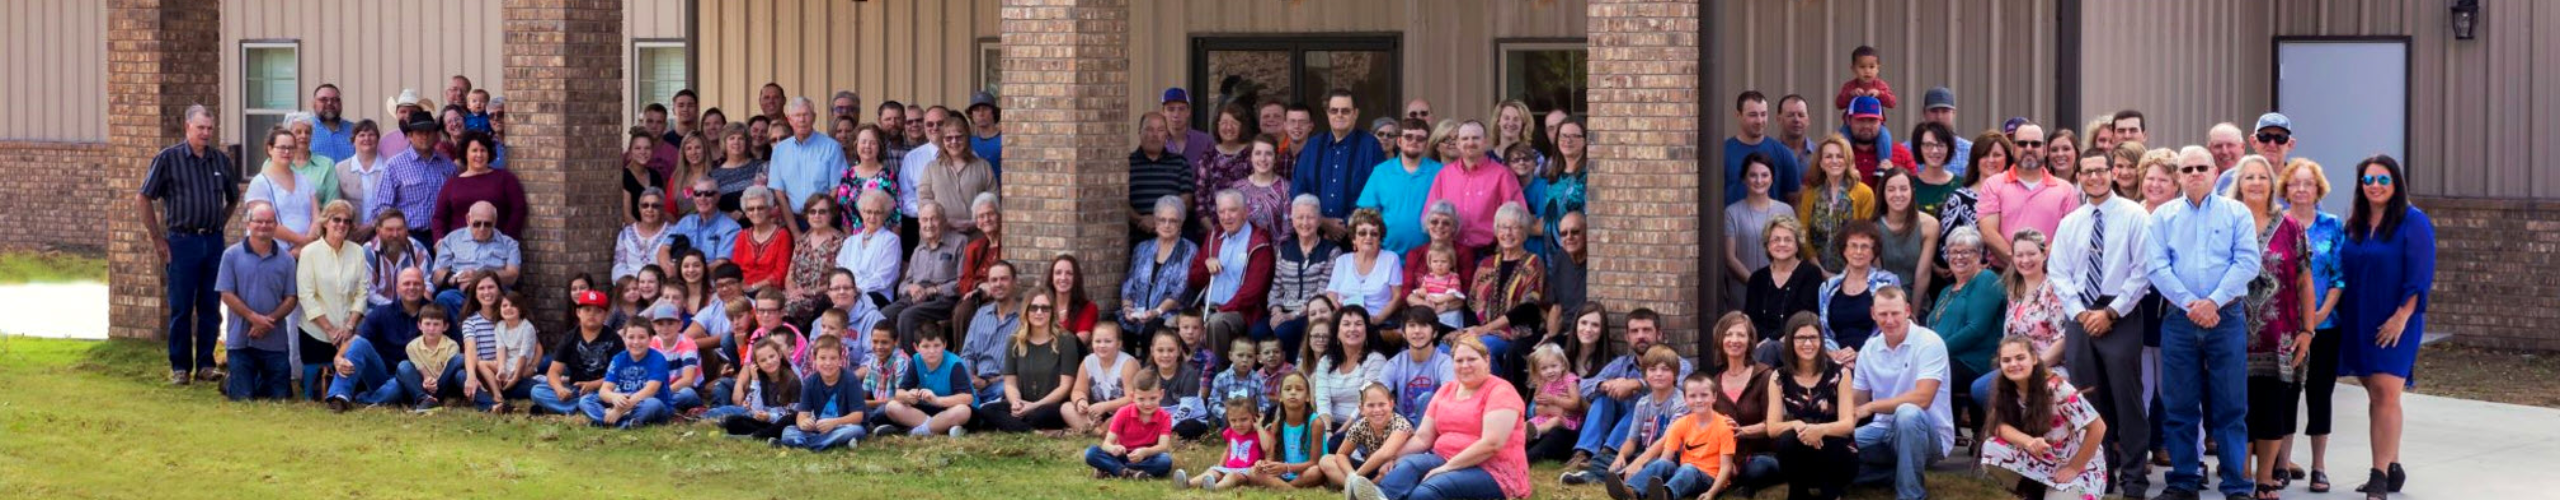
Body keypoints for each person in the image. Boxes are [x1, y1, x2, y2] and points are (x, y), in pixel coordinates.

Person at [2144, 146, 2263, 500]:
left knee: (2231, 406)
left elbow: (2247, 262)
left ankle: (2236, 485)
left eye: (2201, 167)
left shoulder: (2237, 213)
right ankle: (2184, 481)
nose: (2194, 173)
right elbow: (2156, 267)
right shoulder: (2163, 217)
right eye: (2187, 169)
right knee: (2179, 405)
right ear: (2179, 176)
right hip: (2178, 319)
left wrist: (2212, 302)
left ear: (2214, 172)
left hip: (2226, 317)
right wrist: (2190, 304)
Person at [2049, 151, 2157, 495]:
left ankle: (2134, 478)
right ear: (2078, 177)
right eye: (2087, 172)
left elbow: (2143, 270)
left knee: (2128, 400)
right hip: (2080, 316)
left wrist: (2111, 312)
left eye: (2100, 170)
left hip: (2120, 314)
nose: (2094, 177)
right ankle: (2100, 474)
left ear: (2112, 173)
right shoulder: (2070, 223)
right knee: (2090, 401)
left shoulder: (2135, 216)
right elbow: (2059, 272)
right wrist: (2082, 314)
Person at [2337, 155, 2431, 500]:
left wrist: (2401, 317)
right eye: (2368, 180)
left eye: (2382, 179)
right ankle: (2393, 466)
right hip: (2358, 318)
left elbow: (2420, 276)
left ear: (2396, 183)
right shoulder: (2355, 223)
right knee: (2376, 394)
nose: (2375, 186)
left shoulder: (2413, 221)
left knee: (2386, 393)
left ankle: (2378, 475)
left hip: (2396, 320)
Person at [1342, 333, 1531, 500]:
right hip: (1445, 457)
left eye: (1472, 359)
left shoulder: (1500, 391)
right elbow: (1423, 437)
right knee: (1407, 466)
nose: (1465, 365)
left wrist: (1446, 468)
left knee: (1425, 492)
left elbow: (1492, 444)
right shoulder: (1446, 390)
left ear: (1486, 360)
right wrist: (1393, 458)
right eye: (1459, 360)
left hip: (1492, 469)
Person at [2226, 154, 2314, 500]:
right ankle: (2242, 477)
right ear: (2239, 184)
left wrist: (2307, 331)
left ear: (2272, 184)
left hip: (2279, 336)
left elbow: (2305, 281)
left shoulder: (2291, 227)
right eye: (2249, 177)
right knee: (2237, 407)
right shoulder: (2227, 221)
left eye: (2262, 177)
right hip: (2231, 334)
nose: (2256, 183)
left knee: (2272, 409)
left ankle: (2265, 478)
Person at [1560, 308, 1693, 484]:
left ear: (1659, 334)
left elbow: (1680, 384)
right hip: (1624, 433)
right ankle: (1584, 453)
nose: (1641, 336)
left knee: (1642, 400)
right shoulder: (1621, 364)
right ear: (1627, 337)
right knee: (1603, 398)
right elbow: (1583, 385)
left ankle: (1606, 458)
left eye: (1646, 330)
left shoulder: (1677, 363)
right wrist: (1606, 385)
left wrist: (1636, 384)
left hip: (1655, 435)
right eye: (1635, 331)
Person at [2280, 157, 2347, 494]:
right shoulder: (2278, 223)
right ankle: (2282, 463)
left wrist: (2320, 314)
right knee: (2286, 395)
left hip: (2326, 325)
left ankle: (2319, 467)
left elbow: (2339, 277)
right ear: (2285, 189)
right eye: (2295, 183)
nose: (2302, 189)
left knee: (2320, 395)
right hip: (2286, 327)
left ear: (2318, 189)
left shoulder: (2332, 225)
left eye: (2308, 183)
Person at [1845, 286, 1951, 500]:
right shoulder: (1868, 349)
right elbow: (1857, 402)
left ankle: (1910, 494)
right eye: (1883, 314)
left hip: (1927, 436)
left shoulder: (1929, 342)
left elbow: (1923, 399)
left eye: (1895, 313)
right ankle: (1891, 475)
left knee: (1907, 414)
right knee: (1834, 452)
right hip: (1881, 429)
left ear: (1908, 311)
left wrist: (1872, 406)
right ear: (1873, 314)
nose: (1890, 320)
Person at [1980, 337, 2113, 499]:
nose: (2013, 364)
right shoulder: (2003, 387)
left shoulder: (2058, 388)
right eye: (2006, 360)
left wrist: (2074, 468)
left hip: (2079, 464)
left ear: (2034, 359)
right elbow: (1999, 426)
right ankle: (2033, 492)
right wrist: (2028, 442)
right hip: (2043, 459)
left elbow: (2098, 427)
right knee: (1991, 448)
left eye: (2020, 358)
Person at [1603, 370, 1738, 500]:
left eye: (1704, 395)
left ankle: (1665, 495)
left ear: (1714, 397)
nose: (1698, 400)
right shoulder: (1681, 424)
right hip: (1684, 473)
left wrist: (1711, 493)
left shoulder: (1724, 425)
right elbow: (1666, 458)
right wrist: (1659, 469)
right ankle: (1631, 491)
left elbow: (1726, 467)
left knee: (1688, 469)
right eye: (1692, 396)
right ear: (1685, 399)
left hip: (1710, 479)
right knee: (1663, 464)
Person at [1768, 313, 1857, 500]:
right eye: (1801, 338)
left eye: (1813, 337)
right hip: (1801, 454)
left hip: (1837, 454)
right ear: (1790, 340)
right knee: (1787, 439)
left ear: (1821, 340)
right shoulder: (1778, 377)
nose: (1808, 343)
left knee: (1832, 442)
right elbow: (1772, 428)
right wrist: (1797, 425)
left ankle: (1832, 493)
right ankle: (1798, 492)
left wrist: (1820, 430)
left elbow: (1848, 424)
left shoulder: (1840, 373)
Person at [217, 202, 300, 400]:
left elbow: (291, 298)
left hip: (275, 341)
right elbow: (226, 293)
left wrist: (268, 321)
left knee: (280, 397)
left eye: (269, 222)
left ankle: (250, 380)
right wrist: (254, 318)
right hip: (241, 341)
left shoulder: (287, 260)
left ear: (275, 225)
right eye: (259, 221)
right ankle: (231, 381)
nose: (264, 226)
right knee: (243, 397)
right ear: (249, 224)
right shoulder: (231, 255)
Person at [1925, 226, 2003, 420]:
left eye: (1966, 252)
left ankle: (1940, 429)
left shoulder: (1985, 280)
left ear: (1979, 255)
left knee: (1929, 375)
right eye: (1954, 252)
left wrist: (1936, 351)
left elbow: (1976, 329)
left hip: (1973, 362)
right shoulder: (1946, 291)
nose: (1959, 257)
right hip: (1945, 359)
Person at [1459, 203, 1545, 378]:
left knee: (1479, 350)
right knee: (1446, 347)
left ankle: (1499, 390)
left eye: (1515, 228)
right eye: (1503, 227)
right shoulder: (1486, 264)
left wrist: (1487, 328)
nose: (1508, 233)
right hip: (1482, 331)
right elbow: (1472, 303)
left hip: (1515, 333)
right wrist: (1473, 329)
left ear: (1525, 232)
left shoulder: (1533, 263)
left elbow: (1528, 308)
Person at [297, 201, 371, 400]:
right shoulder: (309, 252)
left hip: (348, 333)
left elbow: (362, 292)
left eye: (347, 221)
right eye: (336, 219)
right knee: (315, 394)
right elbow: (306, 295)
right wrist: (329, 329)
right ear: (325, 222)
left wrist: (350, 326)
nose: (341, 224)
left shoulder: (358, 251)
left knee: (349, 387)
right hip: (315, 332)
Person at [981, 291, 1084, 433]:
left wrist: (1035, 405)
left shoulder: (1066, 340)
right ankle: (1034, 431)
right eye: (1034, 308)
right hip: (1023, 403)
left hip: (1051, 405)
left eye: (1045, 308)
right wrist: (1016, 402)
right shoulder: (1014, 341)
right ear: (1026, 311)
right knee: (987, 410)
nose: (1039, 312)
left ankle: (1018, 426)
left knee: (1040, 415)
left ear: (1052, 312)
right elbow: (1010, 383)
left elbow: (1065, 386)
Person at [1703, 312, 1782, 495]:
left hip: (1762, 455)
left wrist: (1742, 431)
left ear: (1750, 340)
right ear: (1720, 340)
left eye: (1741, 335)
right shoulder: (1714, 383)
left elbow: (1773, 424)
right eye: (1728, 334)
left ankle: (1741, 479)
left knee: (1756, 468)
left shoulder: (1766, 376)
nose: (1734, 340)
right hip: (1728, 457)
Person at [1982, 122, 2081, 266]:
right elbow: (1988, 233)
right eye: (2022, 144)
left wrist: (2037, 265)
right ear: (2013, 148)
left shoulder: (2066, 190)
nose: (2028, 148)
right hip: (2003, 274)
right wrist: (2021, 263)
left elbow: (2069, 235)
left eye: (2035, 144)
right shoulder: (1993, 184)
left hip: (2049, 273)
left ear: (2045, 150)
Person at [1294, 89, 1386, 240]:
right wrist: (1322, 221)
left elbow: (1377, 191)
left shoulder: (1370, 146)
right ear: (1327, 113)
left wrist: (1346, 224)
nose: (1339, 115)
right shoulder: (1313, 146)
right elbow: (1298, 189)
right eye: (1334, 110)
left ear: (1355, 113)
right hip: (1316, 236)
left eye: (1345, 111)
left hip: (1357, 237)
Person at [1190, 190, 1276, 353]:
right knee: (1172, 323)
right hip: (1207, 308)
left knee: (1216, 323)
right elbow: (1194, 280)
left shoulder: (1259, 242)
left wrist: (1222, 310)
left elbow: (1252, 293)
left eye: (1232, 210)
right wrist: (1206, 265)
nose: (1226, 216)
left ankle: (1216, 368)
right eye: (1221, 211)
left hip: (1240, 313)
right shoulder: (1214, 236)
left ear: (1245, 212)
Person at [1424, 121, 1527, 253]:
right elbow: (1430, 215)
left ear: (1485, 142)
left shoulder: (1502, 175)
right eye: (1465, 138)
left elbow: (1517, 216)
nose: (1470, 143)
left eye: (1475, 138)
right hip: (1451, 253)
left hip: (1489, 252)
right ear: (1458, 144)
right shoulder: (1444, 175)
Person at [1933, 132, 2016, 288]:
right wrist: (1972, 266)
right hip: (1973, 283)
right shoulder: (1959, 199)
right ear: (1976, 160)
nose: (1991, 160)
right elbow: (1945, 248)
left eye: (1997, 155)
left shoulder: (2017, 196)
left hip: (2015, 276)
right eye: (1984, 155)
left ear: (2007, 159)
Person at [1359, 118, 1445, 253]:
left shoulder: (1440, 172)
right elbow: (1367, 214)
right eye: (1408, 137)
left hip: (1431, 256)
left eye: (1420, 138)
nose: (1414, 141)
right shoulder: (1381, 172)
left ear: (1426, 144)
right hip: (1386, 254)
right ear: (1399, 141)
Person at [1745, 216, 1823, 362]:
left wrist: (1770, 340)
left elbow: (1804, 317)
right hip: (1759, 345)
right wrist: (1760, 342)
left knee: (1770, 350)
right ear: (1768, 245)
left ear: (1797, 245)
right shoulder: (1757, 278)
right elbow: (1750, 320)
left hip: (1795, 342)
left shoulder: (1810, 274)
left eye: (1788, 240)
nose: (1781, 244)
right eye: (1776, 240)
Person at [534, 290, 625, 415]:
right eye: (587, 310)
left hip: (604, 389)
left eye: (598, 311)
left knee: (617, 392)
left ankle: (578, 406)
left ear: (605, 315)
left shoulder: (614, 339)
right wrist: (559, 389)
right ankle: (583, 407)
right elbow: (553, 372)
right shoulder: (569, 338)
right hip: (576, 390)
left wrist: (593, 385)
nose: (592, 314)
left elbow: (620, 374)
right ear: (578, 312)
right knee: (537, 391)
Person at [1269, 195, 1339, 355]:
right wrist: (1276, 311)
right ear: (1293, 220)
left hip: (1312, 314)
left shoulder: (1331, 251)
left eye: (1310, 217)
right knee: (1258, 331)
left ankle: (1295, 368)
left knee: (1284, 331)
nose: (1305, 223)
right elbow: (1276, 288)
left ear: (1319, 221)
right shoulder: (1285, 250)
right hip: (1284, 310)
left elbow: (1322, 294)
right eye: (1300, 217)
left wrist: (1292, 315)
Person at [1728, 153, 1798, 308]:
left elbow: (1794, 252)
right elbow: (1730, 257)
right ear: (1744, 178)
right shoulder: (1732, 212)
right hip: (1744, 291)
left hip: (1781, 291)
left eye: (1764, 175)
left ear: (1772, 178)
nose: (1759, 180)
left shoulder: (1786, 210)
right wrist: (1756, 284)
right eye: (1753, 175)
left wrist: (1778, 285)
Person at [1119, 196, 1197, 336]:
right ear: (1155, 221)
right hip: (1137, 314)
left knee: (1153, 329)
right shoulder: (1142, 248)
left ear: (1181, 223)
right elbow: (1129, 283)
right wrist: (1127, 308)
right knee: (1112, 326)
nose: (1167, 225)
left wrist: (1157, 311)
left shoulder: (1189, 250)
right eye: (1162, 220)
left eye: (1173, 221)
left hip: (1167, 314)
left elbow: (1182, 289)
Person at [959, 261, 1025, 426]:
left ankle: (975, 414)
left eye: (1004, 279)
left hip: (1005, 384)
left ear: (1014, 282)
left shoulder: (1025, 318)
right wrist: (970, 377)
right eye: (994, 280)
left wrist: (989, 382)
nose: (998, 284)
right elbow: (967, 353)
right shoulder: (981, 314)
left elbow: (1025, 366)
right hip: (976, 384)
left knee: (1007, 390)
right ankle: (979, 412)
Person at [1799, 135, 1876, 271]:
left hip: (1853, 271)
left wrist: (1846, 273)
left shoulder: (1864, 193)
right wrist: (1819, 270)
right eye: (1828, 156)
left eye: (1840, 156)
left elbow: (1868, 236)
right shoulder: (1810, 195)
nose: (1834, 161)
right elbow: (1803, 235)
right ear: (1821, 163)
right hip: (1814, 271)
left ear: (1848, 160)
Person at [1819, 221, 1898, 353]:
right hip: (1835, 357)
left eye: (1865, 246)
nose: (1858, 251)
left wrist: (1859, 355)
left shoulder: (1888, 282)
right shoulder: (1827, 287)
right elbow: (1823, 330)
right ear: (1844, 250)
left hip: (1875, 356)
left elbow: (1892, 327)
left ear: (1874, 252)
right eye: (1853, 246)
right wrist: (1834, 355)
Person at [781, 334, 870, 451]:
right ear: (814, 359)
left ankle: (806, 444)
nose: (828, 363)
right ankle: (824, 443)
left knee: (855, 431)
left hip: (843, 426)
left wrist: (835, 423)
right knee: (788, 431)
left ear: (840, 359)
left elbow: (857, 416)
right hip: (821, 427)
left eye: (833, 358)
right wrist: (804, 423)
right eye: (822, 358)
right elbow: (802, 414)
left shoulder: (850, 379)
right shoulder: (810, 382)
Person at [882, 327, 976, 437]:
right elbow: (899, 393)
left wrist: (937, 400)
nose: (932, 351)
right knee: (891, 407)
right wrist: (908, 396)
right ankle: (939, 428)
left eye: (937, 345)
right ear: (916, 347)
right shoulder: (916, 360)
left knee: (963, 411)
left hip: (950, 408)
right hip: (928, 411)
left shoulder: (955, 364)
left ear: (945, 345)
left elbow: (968, 398)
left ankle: (917, 431)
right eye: (926, 346)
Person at [1086, 367, 1178, 479]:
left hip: (1146, 457)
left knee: (1165, 461)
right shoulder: (1123, 412)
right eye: (1141, 399)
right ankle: (1129, 472)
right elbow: (1106, 444)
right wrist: (1113, 449)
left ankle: (1114, 470)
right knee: (1091, 453)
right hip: (1122, 456)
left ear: (1161, 394)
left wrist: (1145, 452)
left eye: (1153, 398)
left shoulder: (1165, 417)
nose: (1147, 404)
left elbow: (1163, 446)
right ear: (1132, 397)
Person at [431, 133, 528, 239]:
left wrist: (507, 238)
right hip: (460, 245)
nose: (479, 155)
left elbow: (518, 209)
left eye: (483, 150)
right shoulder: (452, 184)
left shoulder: (504, 178)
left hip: (496, 244)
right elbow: (439, 218)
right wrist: (439, 240)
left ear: (489, 153)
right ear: (465, 153)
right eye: (474, 150)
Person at [708, 336, 800, 440]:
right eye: (763, 360)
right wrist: (756, 381)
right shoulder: (760, 379)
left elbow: (794, 413)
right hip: (765, 422)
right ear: (757, 364)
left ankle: (756, 436)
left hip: (783, 423)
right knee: (732, 421)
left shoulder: (792, 380)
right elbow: (755, 411)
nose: (769, 362)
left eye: (772, 356)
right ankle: (762, 434)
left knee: (788, 420)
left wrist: (770, 416)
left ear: (779, 355)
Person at [583, 323, 673, 428]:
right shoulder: (618, 359)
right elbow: (604, 391)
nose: (636, 342)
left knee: (653, 404)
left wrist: (619, 410)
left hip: (646, 403)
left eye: (641, 337)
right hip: (624, 400)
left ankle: (606, 421)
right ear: (624, 339)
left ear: (650, 339)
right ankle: (624, 423)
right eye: (631, 337)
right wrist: (614, 397)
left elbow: (650, 391)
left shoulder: (658, 359)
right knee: (586, 400)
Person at [917, 115, 998, 233]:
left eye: (959, 137)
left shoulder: (983, 166)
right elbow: (924, 200)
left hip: (977, 234)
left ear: (967, 139)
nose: (954, 142)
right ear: (942, 141)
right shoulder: (931, 168)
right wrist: (945, 221)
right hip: (942, 234)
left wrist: (977, 221)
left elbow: (993, 198)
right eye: (948, 138)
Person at [769, 97, 848, 216]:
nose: (802, 119)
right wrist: (793, 227)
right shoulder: (779, 151)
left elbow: (836, 188)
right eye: (797, 115)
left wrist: (820, 216)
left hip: (825, 218)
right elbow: (779, 193)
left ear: (814, 117)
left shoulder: (832, 147)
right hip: (792, 218)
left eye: (806, 114)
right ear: (789, 120)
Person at [1875, 168, 1943, 306]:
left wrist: (1914, 312)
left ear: (1912, 191)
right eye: (1891, 189)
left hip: (1917, 300)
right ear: (1883, 193)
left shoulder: (1929, 225)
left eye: (1903, 189)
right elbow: (1878, 275)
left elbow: (1923, 274)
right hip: (1885, 302)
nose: (1898, 194)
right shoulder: (1874, 227)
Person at [1315, 306, 1389, 429]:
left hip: (1362, 426)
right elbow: (1323, 401)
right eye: (1346, 324)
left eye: (1358, 324)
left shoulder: (1376, 360)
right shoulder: (1326, 361)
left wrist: (1340, 433)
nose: (1352, 329)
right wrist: (1327, 430)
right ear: (1337, 332)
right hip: (1329, 425)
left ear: (1366, 331)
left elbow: (1366, 401)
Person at [1726, 91, 1805, 204]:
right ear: (1738, 115)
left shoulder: (1783, 154)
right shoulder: (1723, 152)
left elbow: (1793, 200)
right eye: (1753, 115)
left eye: (1763, 114)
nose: (1759, 121)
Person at [1380, 308, 1456, 424]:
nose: (1417, 331)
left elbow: (1450, 396)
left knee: (1427, 398)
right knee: (1377, 401)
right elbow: (1377, 393)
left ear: (1435, 333)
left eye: (1423, 325)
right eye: (1412, 325)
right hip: (1403, 426)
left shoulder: (1444, 362)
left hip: (1432, 425)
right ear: (1404, 333)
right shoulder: (1395, 363)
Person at [1327, 211, 1407, 321]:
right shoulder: (1342, 261)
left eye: (1374, 234)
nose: (1368, 237)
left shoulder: (1391, 259)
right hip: (1346, 321)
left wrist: (1376, 319)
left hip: (1379, 322)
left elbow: (1397, 297)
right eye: (1362, 233)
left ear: (1380, 239)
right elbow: (1331, 293)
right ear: (1353, 239)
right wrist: (1341, 315)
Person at [246, 129, 319, 249]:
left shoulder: (305, 181)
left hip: (305, 251)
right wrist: (301, 241)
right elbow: (263, 222)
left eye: (291, 148)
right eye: (282, 147)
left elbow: (316, 217)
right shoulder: (260, 183)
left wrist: (306, 245)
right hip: (271, 252)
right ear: (270, 149)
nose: (287, 152)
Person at [1174, 397, 1267, 490]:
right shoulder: (1231, 432)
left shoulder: (1258, 434)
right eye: (1233, 420)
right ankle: (1189, 483)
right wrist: (1220, 466)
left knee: (1232, 477)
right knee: (1212, 472)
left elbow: (1266, 448)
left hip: (1247, 472)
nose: (1238, 424)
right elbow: (1228, 450)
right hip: (1229, 468)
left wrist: (1259, 427)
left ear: (1254, 417)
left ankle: (1215, 487)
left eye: (1243, 419)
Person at [1128, 113, 1197, 237]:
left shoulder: (1180, 162)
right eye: (1149, 129)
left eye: (1160, 130)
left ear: (1166, 135)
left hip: (1173, 235)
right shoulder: (1127, 164)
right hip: (1137, 235)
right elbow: (1119, 202)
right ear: (1139, 132)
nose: (1155, 135)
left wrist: (1161, 221)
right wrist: (1139, 219)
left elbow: (1187, 200)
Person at [785, 195, 850, 321]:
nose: (816, 216)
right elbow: (790, 275)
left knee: (786, 311)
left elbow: (840, 281)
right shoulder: (802, 240)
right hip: (795, 295)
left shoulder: (842, 242)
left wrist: (808, 292)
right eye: (812, 212)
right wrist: (792, 292)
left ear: (831, 214)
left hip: (820, 298)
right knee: (768, 304)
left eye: (822, 212)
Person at [1067, 323, 1140, 434]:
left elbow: (1132, 398)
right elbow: (1078, 390)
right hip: (1097, 413)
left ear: (1119, 344)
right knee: (1066, 408)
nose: (1102, 345)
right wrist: (1080, 401)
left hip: (1121, 412)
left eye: (1108, 341)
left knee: (1122, 417)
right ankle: (1099, 432)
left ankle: (1096, 430)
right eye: (1097, 341)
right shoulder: (1088, 361)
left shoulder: (1128, 363)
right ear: (1092, 343)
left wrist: (1105, 407)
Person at [1533, 119, 1588, 259]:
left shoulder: (1589, 176)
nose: (1568, 140)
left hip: (1578, 255)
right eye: (1563, 136)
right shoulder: (1551, 175)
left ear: (1585, 141)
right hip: (1552, 255)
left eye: (1574, 136)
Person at [1198, 103, 1258, 228]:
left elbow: (1259, 193)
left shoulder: (1252, 155)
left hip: (1247, 227)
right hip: (1213, 227)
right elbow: (1200, 197)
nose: (1229, 127)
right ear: (1217, 126)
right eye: (1224, 123)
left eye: (1234, 123)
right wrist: (1213, 231)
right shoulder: (1208, 157)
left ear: (1242, 127)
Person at [834, 125, 902, 233]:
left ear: (879, 147)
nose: (867, 146)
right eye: (863, 142)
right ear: (856, 145)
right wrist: (849, 240)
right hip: (855, 238)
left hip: (883, 237)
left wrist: (894, 240)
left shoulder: (888, 176)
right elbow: (844, 213)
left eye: (873, 143)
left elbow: (897, 215)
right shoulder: (847, 176)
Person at [396, 302, 465, 409]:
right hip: (424, 386)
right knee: (403, 366)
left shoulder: (452, 345)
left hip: (444, 385)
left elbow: (449, 372)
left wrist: (435, 383)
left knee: (459, 359)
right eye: (427, 324)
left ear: (445, 326)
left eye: (436, 324)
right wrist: (428, 381)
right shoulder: (412, 346)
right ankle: (424, 399)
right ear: (419, 325)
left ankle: (436, 400)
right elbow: (422, 370)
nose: (431, 329)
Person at [833, 189, 900, 298]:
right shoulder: (850, 241)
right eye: (868, 212)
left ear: (885, 215)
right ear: (862, 213)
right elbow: (839, 271)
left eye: (877, 213)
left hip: (876, 294)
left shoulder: (891, 240)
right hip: (846, 293)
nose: (872, 217)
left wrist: (856, 289)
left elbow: (884, 278)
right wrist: (847, 289)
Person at [1841, 96, 1916, 187]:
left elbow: (1915, 190)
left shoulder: (1901, 154)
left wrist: (1893, 177)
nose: (1866, 126)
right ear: (1848, 120)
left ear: (1881, 121)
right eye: (1860, 120)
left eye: (1872, 120)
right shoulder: (1836, 156)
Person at [1235, 134, 1294, 244]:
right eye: (1258, 153)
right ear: (1251, 157)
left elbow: (1288, 231)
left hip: (1275, 251)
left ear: (1276, 158)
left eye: (1268, 154)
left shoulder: (1286, 189)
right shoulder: (1237, 188)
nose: (1263, 159)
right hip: (1241, 250)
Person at [733, 186, 794, 291]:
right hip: (742, 290)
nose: (756, 212)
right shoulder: (742, 235)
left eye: (760, 208)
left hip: (770, 292)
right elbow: (735, 269)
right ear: (746, 213)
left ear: (769, 210)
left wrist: (753, 287)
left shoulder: (782, 235)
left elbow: (780, 273)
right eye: (751, 209)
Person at [1545, 212, 1591, 336]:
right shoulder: (1560, 258)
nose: (1569, 237)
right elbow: (1556, 308)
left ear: (1587, 233)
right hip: (1564, 331)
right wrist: (1550, 339)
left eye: (1575, 232)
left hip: (1586, 332)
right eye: (1564, 234)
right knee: (1519, 346)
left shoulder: (1595, 260)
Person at [614, 187, 675, 281]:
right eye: (645, 205)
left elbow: (673, 266)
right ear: (639, 208)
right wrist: (631, 285)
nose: (649, 209)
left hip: (661, 286)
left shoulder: (673, 233)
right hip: (631, 287)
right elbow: (618, 265)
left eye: (655, 206)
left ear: (662, 209)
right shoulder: (625, 234)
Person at [708, 123, 768, 215]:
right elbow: (710, 207)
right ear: (724, 143)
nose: (736, 142)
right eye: (732, 138)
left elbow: (771, 199)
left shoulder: (761, 167)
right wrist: (728, 215)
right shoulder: (714, 175)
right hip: (727, 223)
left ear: (747, 143)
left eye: (741, 138)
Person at [1911, 88, 1973, 176]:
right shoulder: (1906, 150)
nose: (1939, 117)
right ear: (1924, 112)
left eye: (1945, 111)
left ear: (1953, 113)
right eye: (1934, 111)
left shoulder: (1969, 151)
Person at [619, 129, 671, 225]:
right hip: (634, 230)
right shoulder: (624, 176)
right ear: (630, 151)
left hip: (656, 229)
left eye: (647, 148)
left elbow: (662, 209)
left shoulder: (656, 176)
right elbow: (627, 216)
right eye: (638, 148)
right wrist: (644, 231)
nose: (643, 152)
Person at [2241, 113, 2298, 194]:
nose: (2272, 144)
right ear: (2253, 141)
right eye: (2265, 136)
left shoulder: (2300, 182)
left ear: (2290, 145)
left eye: (2280, 138)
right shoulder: (2232, 178)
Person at [1835, 45, 1899, 111]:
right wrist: (1851, 94)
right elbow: (1839, 104)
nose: (1867, 71)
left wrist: (1879, 94)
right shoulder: (1849, 86)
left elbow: (1892, 103)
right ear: (1853, 69)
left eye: (1871, 67)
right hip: (1853, 117)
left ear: (1877, 69)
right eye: (1862, 67)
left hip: (1874, 117)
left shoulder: (1880, 85)